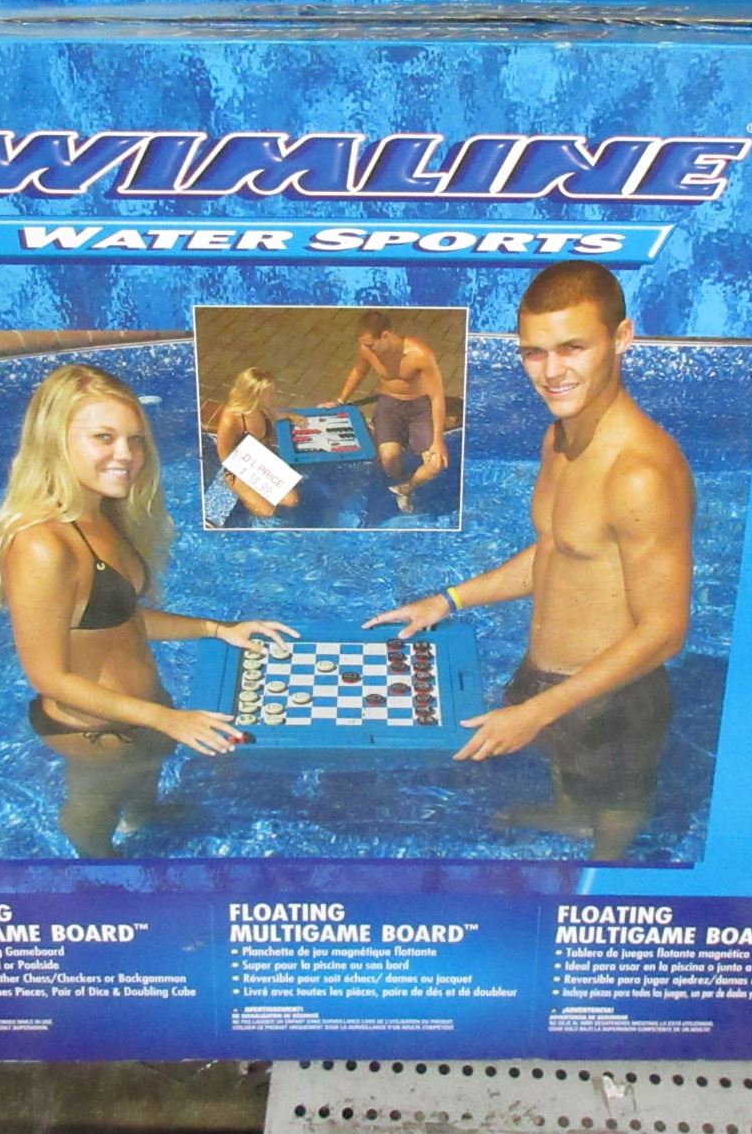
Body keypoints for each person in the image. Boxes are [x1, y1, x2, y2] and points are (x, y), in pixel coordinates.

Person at [367, 262, 694, 860]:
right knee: (568, 778)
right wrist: (448, 600)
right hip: (546, 675)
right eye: (534, 353)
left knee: (615, 815)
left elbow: (665, 631)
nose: (551, 372)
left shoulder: (641, 473)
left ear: (622, 338)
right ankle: (569, 815)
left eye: (573, 348)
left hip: (611, 698)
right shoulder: (559, 437)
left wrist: (539, 712)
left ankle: (605, 879)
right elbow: (558, 548)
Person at [0, 364, 297, 858]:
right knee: (93, 810)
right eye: (103, 437)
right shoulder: (43, 544)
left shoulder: (101, 514)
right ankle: (99, 865)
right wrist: (166, 719)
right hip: (95, 732)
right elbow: (48, 676)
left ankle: (143, 817)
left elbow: (120, 617)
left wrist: (219, 629)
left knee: (144, 778)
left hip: (142, 715)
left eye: (135, 439)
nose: (126, 455)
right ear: (54, 439)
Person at [323, 310, 449, 514]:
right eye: (364, 345)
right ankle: (398, 480)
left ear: (385, 335)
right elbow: (359, 371)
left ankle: (407, 488)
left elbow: (437, 397)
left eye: (370, 344)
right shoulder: (367, 350)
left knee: (435, 464)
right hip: (390, 404)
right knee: (389, 460)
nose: (367, 349)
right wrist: (340, 400)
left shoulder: (420, 354)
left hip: (420, 407)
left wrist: (438, 440)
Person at [212, 366, 302, 519]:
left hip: (261, 460)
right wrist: (250, 477)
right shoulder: (231, 419)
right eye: (270, 392)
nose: (274, 395)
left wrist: (290, 416)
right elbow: (224, 455)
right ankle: (244, 501)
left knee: (292, 501)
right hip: (238, 467)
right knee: (267, 512)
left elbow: (274, 415)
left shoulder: (261, 407)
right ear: (256, 394)